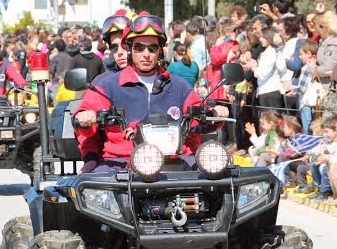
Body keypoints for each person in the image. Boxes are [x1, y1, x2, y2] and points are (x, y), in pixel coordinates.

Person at [73, 12, 229, 172]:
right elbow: (82, 116)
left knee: (218, 179)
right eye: (139, 48)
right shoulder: (107, 86)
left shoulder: (178, 85)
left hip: (174, 162)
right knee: (93, 185)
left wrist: (214, 113)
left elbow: (198, 114)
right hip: (120, 163)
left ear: (160, 50)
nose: (146, 54)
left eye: (152, 48)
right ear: (129, 49)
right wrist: (84, 117)